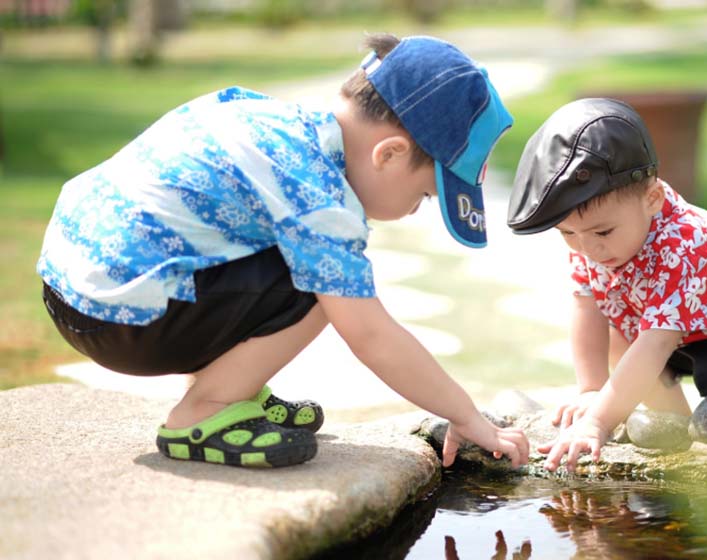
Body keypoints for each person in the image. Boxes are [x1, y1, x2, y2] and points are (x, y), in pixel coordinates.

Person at [37, 34, 529, 469]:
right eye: (424, 196)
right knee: (328, 286)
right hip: (121, 319)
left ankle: (235, 390)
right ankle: (204, 412)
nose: (414, 211)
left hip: (74, 286)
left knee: (303, 260)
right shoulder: (318, 195)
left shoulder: (274, 121)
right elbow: (372, 336)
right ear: (390, 154)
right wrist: (465, 415)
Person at [506, 98, 707, 471]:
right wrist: (592, 389)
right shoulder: (593, 240)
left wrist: (597, 422)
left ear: (652, 198)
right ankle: (676, 433)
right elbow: (586, 307)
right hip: (690, 329)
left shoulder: (687, 244)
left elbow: (657, 343)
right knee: (622, 336)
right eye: (568, 234)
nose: (588, 248)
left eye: (602, 231)